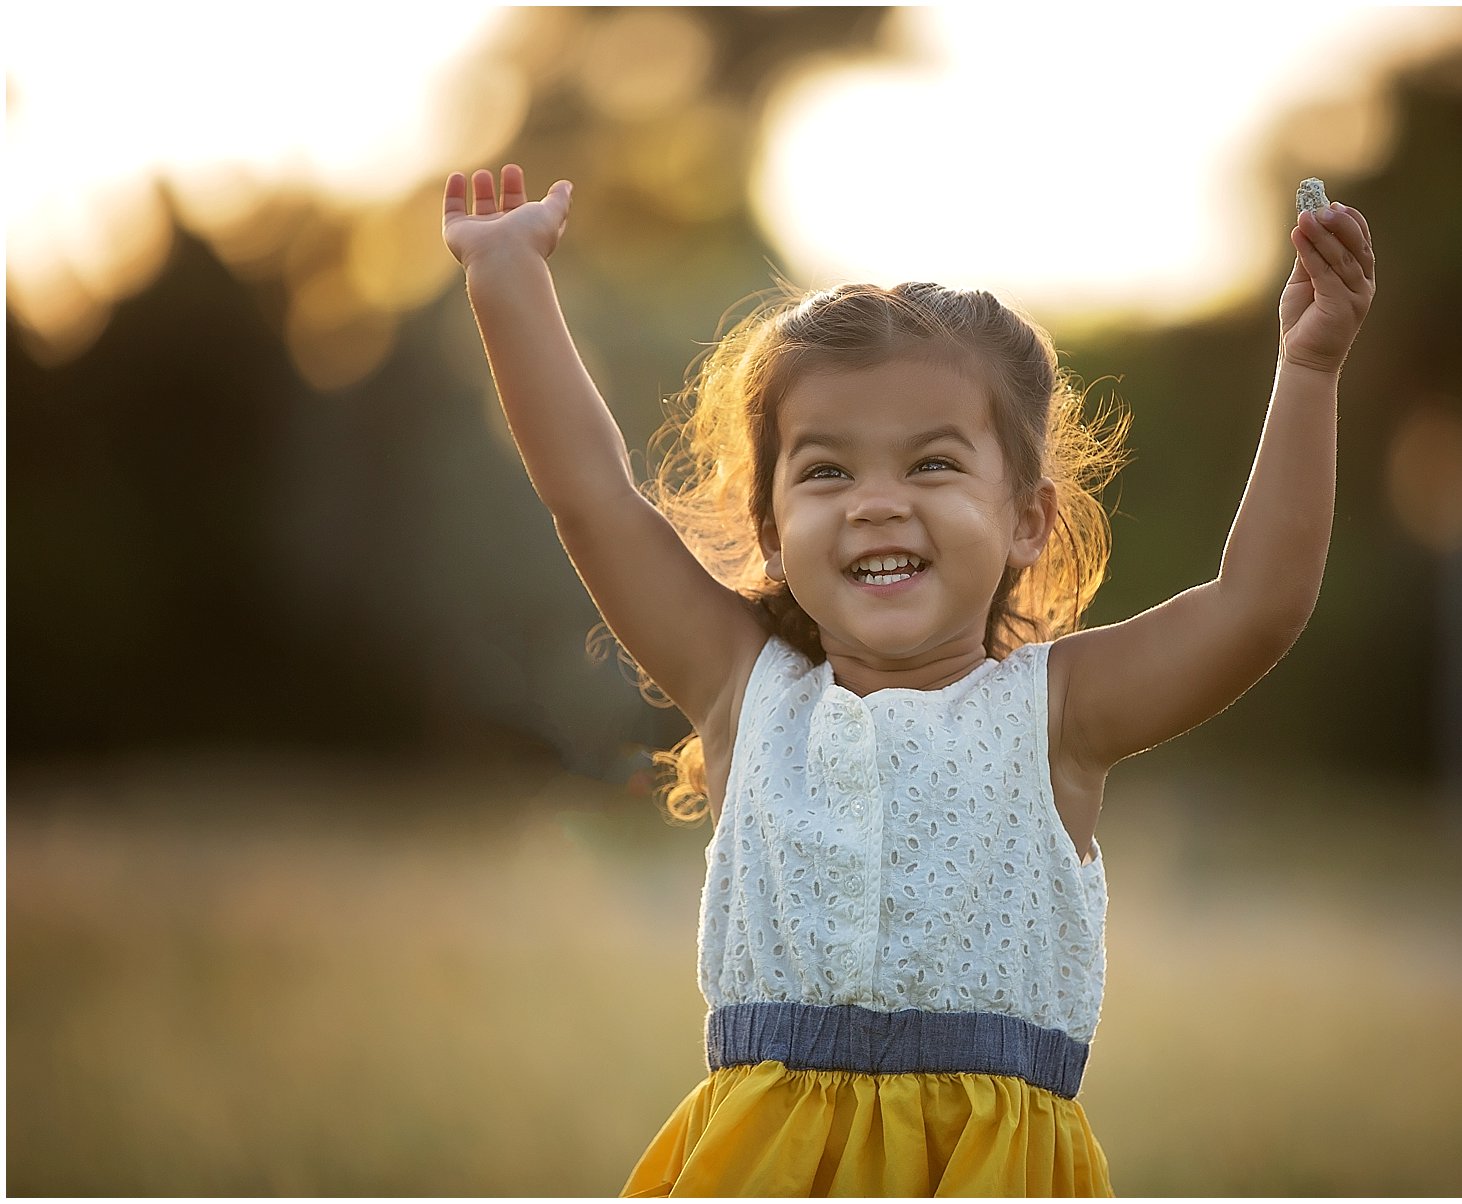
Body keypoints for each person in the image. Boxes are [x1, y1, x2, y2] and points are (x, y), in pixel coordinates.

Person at [443, 163, 1375, 1197]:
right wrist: (506, 281)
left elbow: (1256, 606)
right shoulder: (743, 690)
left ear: (1028, 518)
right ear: (772, 529)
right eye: (827, 471)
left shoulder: (1057, 712)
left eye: (931, 465)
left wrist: (1312, 366)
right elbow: (595, 501)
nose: (877, 503)